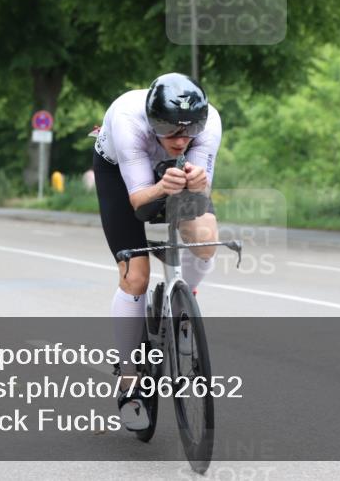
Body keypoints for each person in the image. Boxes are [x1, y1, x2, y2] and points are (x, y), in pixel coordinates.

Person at [93, 72, 222, 431]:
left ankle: (185, 302)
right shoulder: (127, 121)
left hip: (174, 175)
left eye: (189, 132)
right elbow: (138, 201)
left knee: (205, 242)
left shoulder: (208, 123)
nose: (181, 140)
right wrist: (163, 187)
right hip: (122, 175)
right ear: (153, 123)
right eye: (170, 131)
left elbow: (203, 179)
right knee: (136, 276)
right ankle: (129, 378)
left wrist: (196, 183)